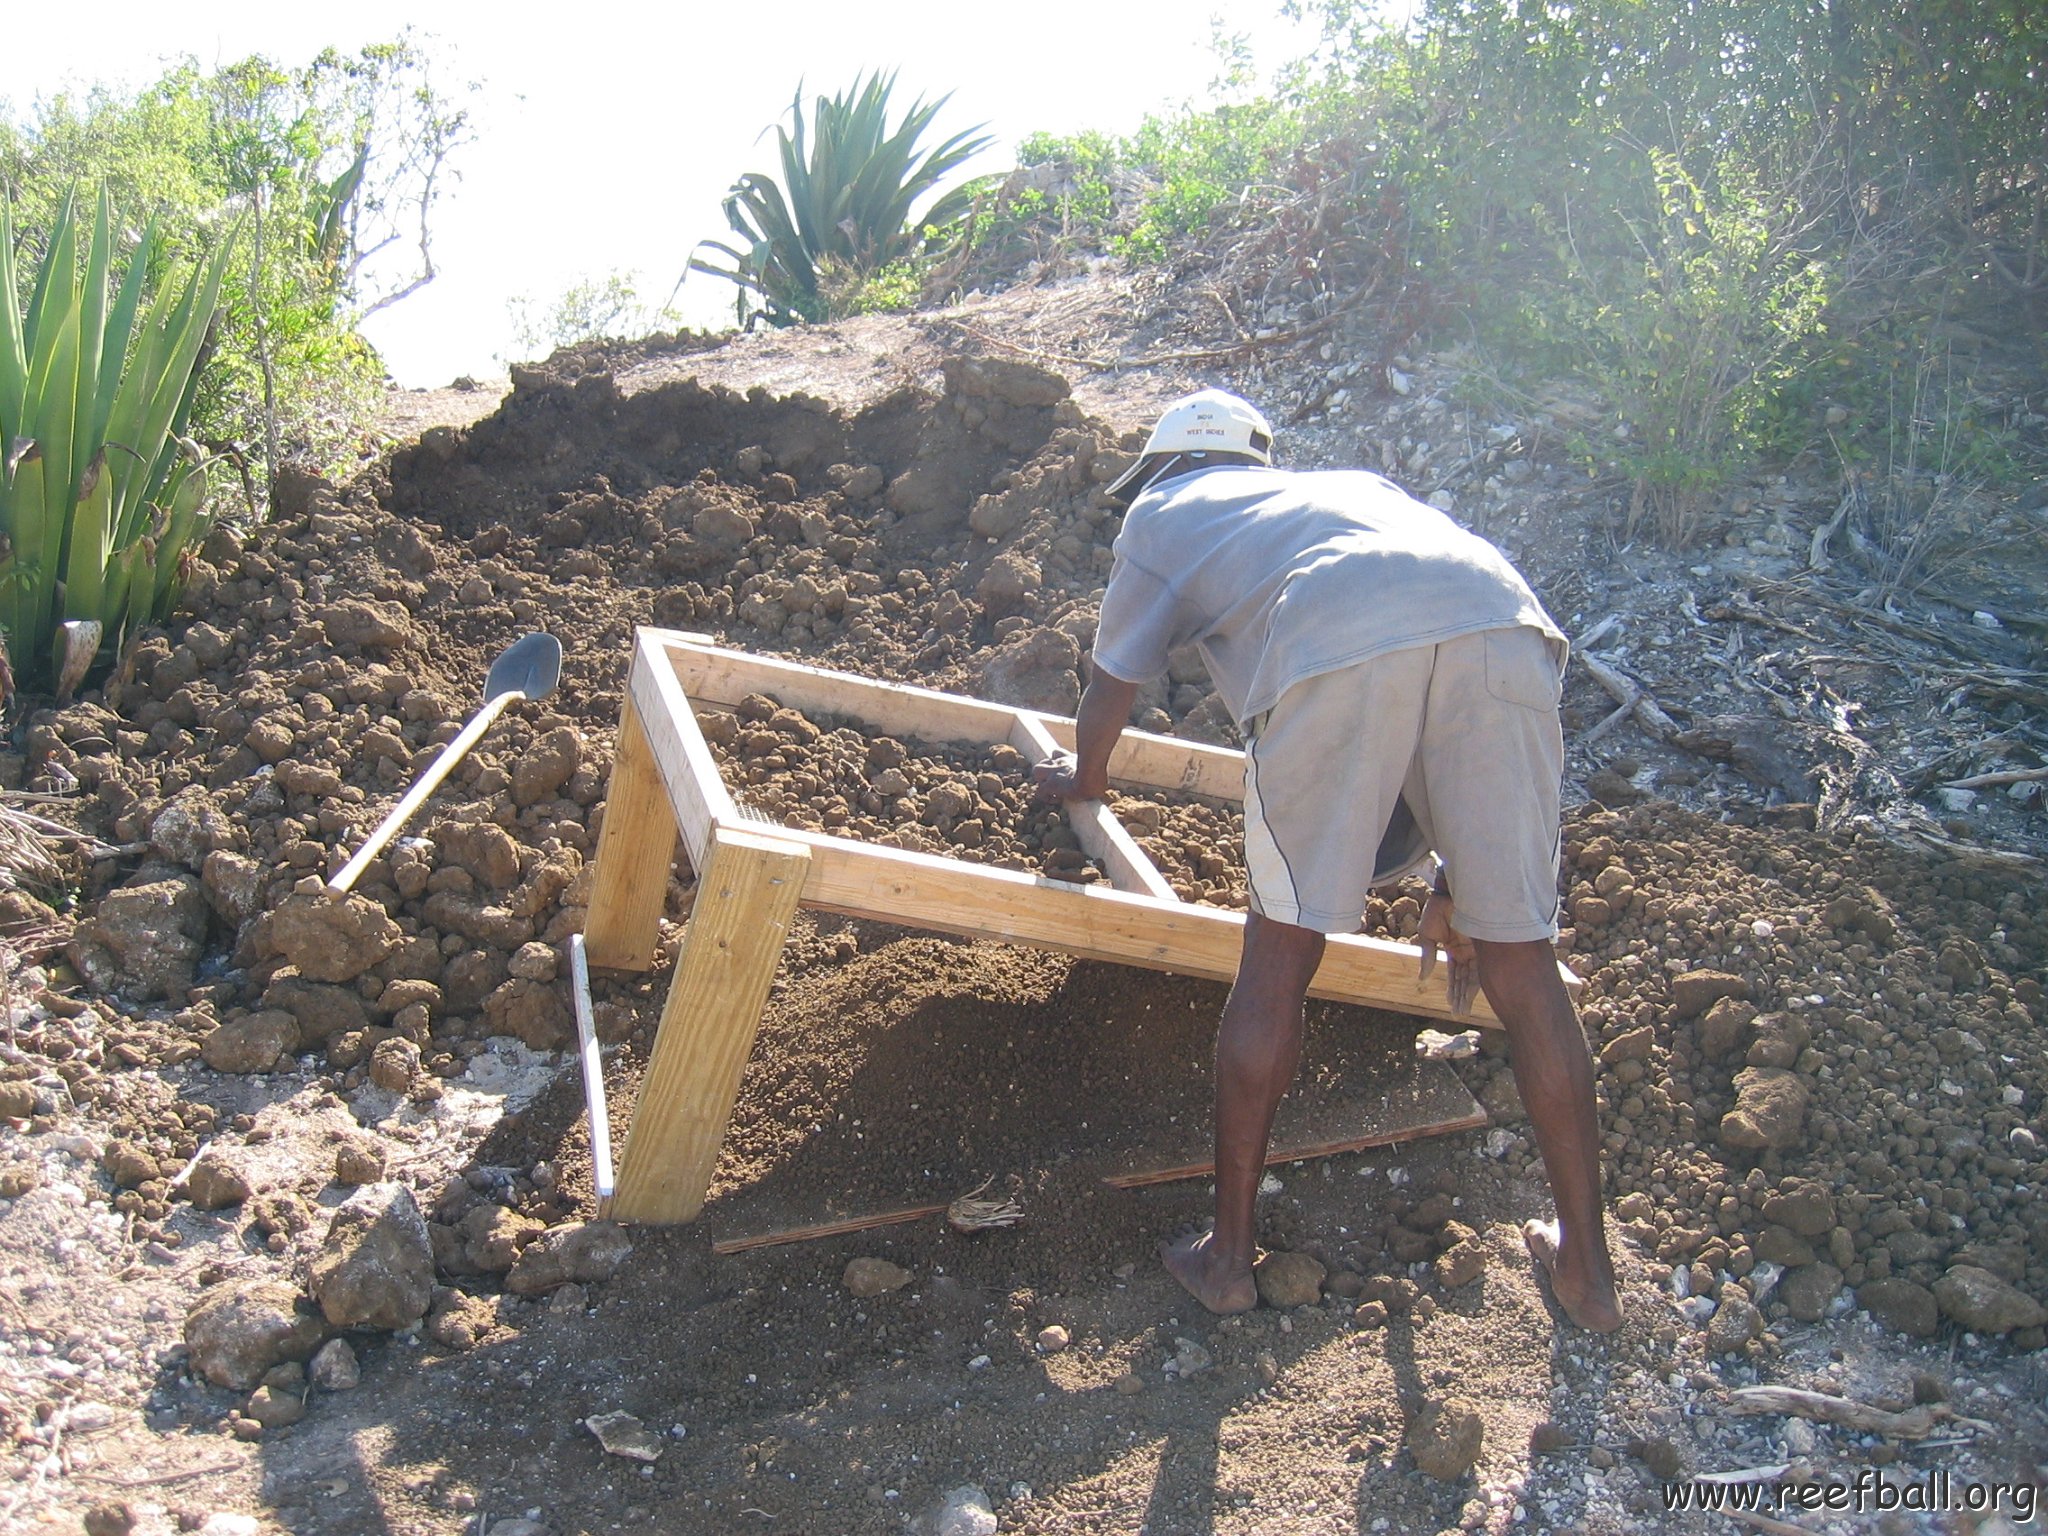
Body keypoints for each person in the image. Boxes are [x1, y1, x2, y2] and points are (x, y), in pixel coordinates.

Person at [1032, 388, 1621, 1331]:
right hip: (1506, 619)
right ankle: (1589, 1277)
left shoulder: (1167, 509)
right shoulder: (1346, 490)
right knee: (1523, 961)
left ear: (1165, 465)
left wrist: (1084, 777)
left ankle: (1226, 1260)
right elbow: (1437, 649)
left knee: (1280, 955)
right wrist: (1453, 884)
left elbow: (1116, 679)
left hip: (1338, 630)